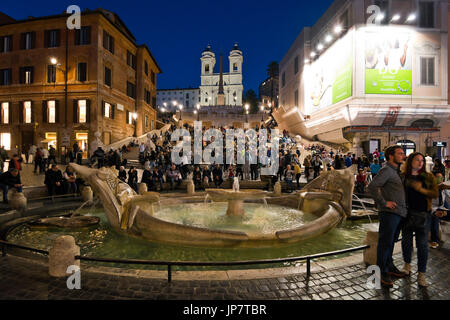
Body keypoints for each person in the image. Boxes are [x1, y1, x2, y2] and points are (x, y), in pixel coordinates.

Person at [367, 145, 407, 287]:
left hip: (398, 213)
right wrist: (384, 203)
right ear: (391, 156)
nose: (403, 156)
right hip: (390, 213)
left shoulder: (395, 171)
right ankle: (380, 272)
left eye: (403, 153)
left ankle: (389, 267)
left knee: (390, 242)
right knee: (385, 243)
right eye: (400, 153)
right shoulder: (387, 170)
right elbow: (371, 186)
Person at [401, 152, 439, 287]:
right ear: (411, 161)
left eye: (422, 160)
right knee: (406, 242)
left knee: (422, 245)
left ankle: (421, 273)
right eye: (417, 160)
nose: (420, 163)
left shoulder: (428, 177)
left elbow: (435, 194)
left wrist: (421, 189)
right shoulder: (403, 176)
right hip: (406, 214)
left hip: (423, 214)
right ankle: (407, 265)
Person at [429, 173, 450, 249]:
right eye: (438, 178)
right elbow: (429, 205)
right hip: (432, 209)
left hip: (441, 208)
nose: (440, 180)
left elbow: (448, 199)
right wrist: (435, 212)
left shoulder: (443, 188)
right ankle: (435, 240)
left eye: (441, 178)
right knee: (435, 218)